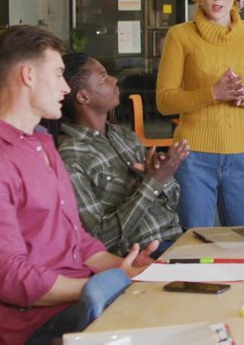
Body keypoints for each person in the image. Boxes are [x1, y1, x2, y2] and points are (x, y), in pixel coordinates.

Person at [0, 25, 158, 345]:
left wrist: (129, 269)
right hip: (38, 324)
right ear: (28, 76)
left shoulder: (42, 144)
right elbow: (11, 280)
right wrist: (104, 283)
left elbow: (77, 241)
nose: (66, 89)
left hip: (78, 300)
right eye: (58, 75)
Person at [156, 0, 244, 230]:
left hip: (241, 155)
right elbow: (164, 102)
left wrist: (243, 93)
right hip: (191, 157)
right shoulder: (180, 36)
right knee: (195, 242)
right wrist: (213, 93)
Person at [57, 52, 189, 257]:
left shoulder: (124, 136)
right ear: (83, 96)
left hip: (177, 242)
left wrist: (163, 174)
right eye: (103, 77)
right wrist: (153, 183)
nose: (114, 80)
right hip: (140, 256)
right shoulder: (71, 157)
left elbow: (172, 201)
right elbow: (99, 237)